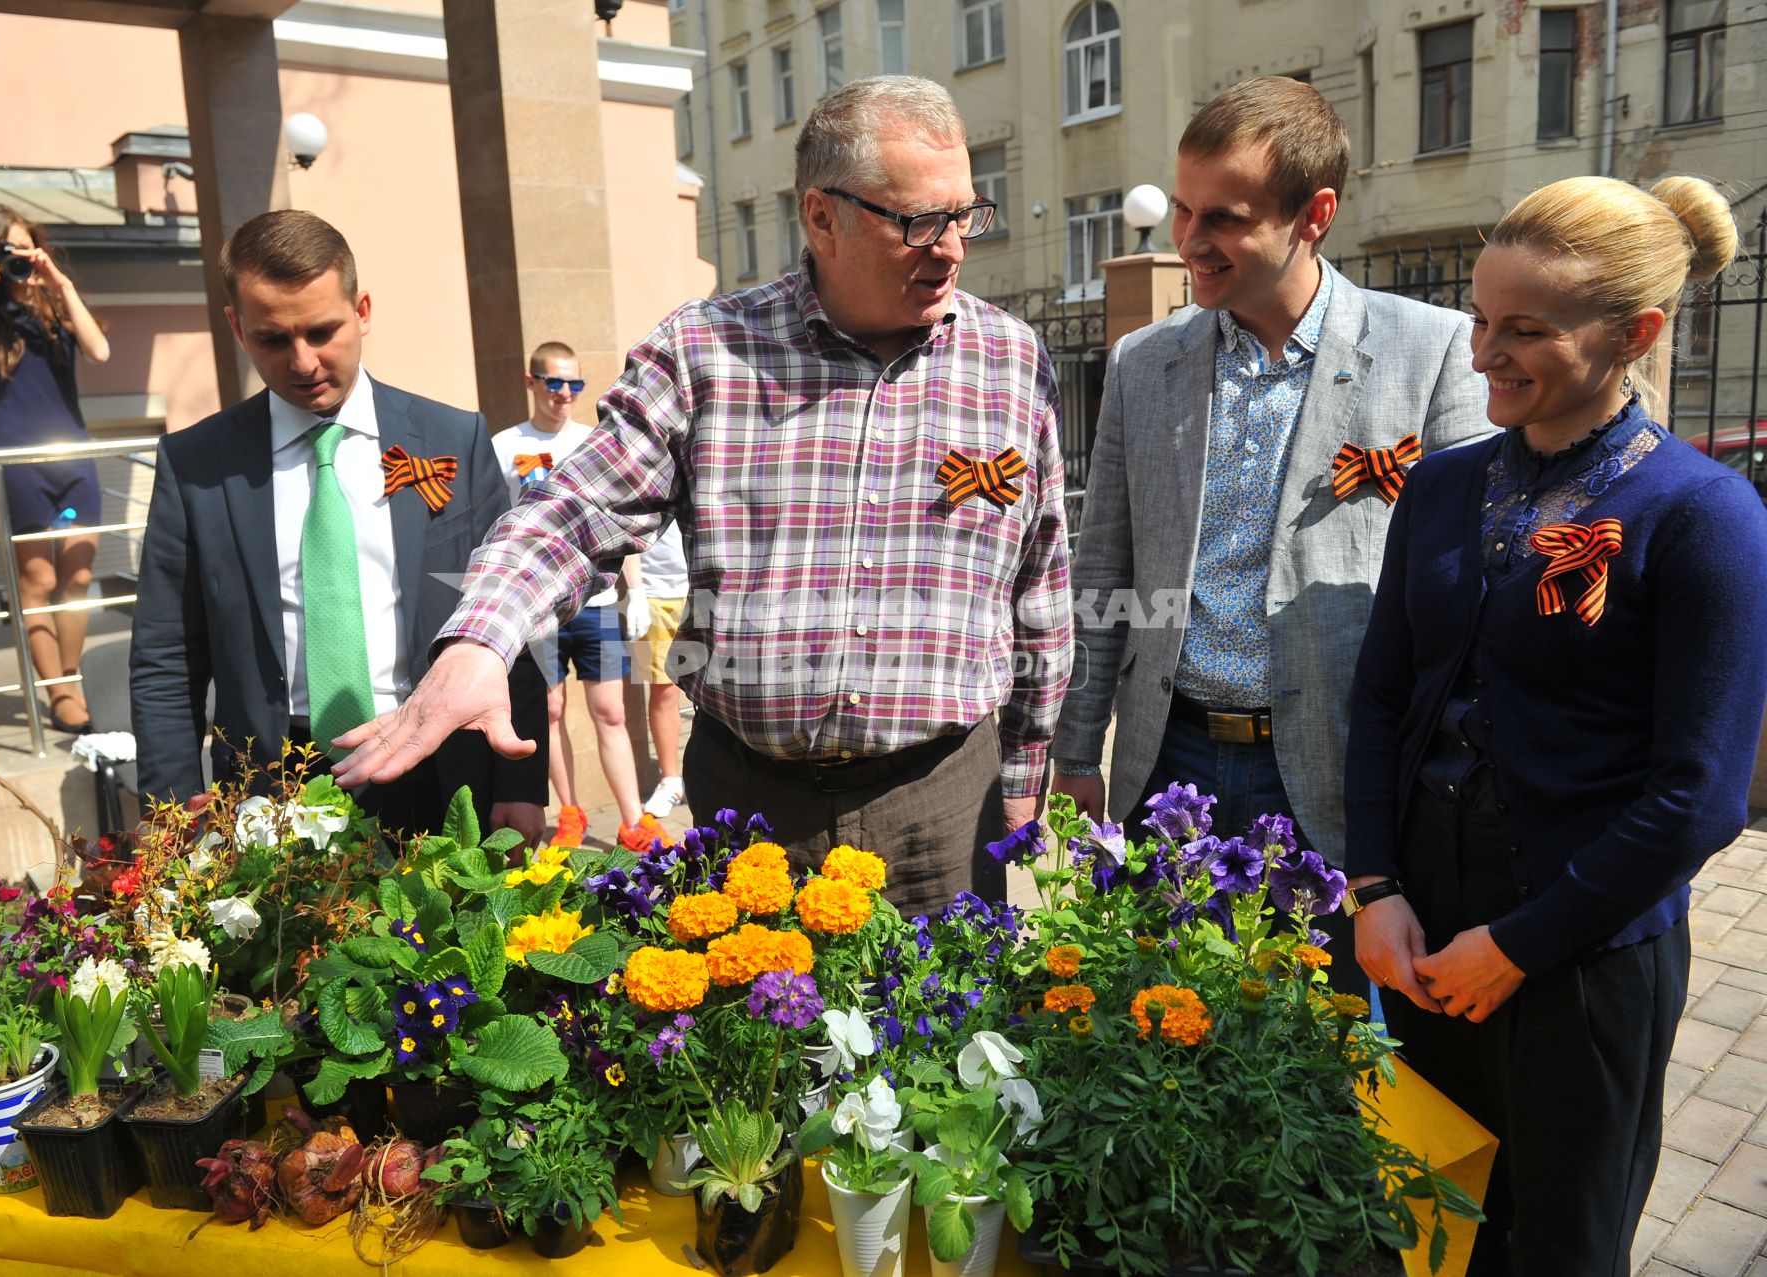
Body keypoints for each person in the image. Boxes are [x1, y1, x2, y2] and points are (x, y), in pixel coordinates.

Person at [332, 75, 1073, 919]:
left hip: (940, 807)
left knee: (955, 1046)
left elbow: (1039, 585)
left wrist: (1023, 776)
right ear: (820, 216)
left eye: (964, 215)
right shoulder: (708, 352)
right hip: (751, 811)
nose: (950, 249)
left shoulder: (1010, 363)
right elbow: (577, 513)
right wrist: (479, 641)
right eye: (916, 223)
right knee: (741, 1053)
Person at [1345, 175, 1767, 1274]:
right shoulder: (1439, 489)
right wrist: (1377, 887)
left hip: (1583, 949)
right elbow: (1384, 693)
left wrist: (1518, 946)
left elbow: (1701, 795)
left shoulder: (1703, 515)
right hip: (1429, 928)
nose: (1484, 351)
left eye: (1525, 329)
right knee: (1430, 1227)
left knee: (1561, 1247)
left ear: (1635, 333)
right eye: (1482, 320)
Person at [1049, 77, 1490, 994]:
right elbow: (1105, 566)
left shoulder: (1435, 350)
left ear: (1314, 213)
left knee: (1318, 1066)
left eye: (1226, 218)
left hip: (1333, 774)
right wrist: (1080, 744)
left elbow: (1470, 602)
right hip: (1170, 762)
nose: (1189, 242)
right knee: (1161, 1040)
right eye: (1181, 210)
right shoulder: (1144, 360)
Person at [130, 210, 547, 845]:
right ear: (238, 329)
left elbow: (504, 614)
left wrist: (520, 782)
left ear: (363, 311)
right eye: (273, 339)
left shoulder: (452, 438)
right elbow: (166, 656)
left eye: (323, 331)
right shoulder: (196, 466)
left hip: (442, 767)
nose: (303, 362)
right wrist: (170, 812)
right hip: (272, 788)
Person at [0, 203, 111, 735]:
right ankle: (58, 692)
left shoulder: (55, 305)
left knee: (79, 574)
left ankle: (71, 676)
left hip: (73, 460)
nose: (17, 260)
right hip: (17, 464)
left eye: (23, 247)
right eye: (4, 251)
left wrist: (58, 283)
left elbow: (100, 351)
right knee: (37, 580)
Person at [491, 343, 658, 852]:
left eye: (575, 385)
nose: (565, 394)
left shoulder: (595, 441)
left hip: (597, 602)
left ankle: (633, 822)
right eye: (555, 383)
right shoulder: (504, 445)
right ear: (531, 382)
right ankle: (569, 813)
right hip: (538, 609)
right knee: (551, 710)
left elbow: (620, 521)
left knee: (610, 711)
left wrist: (638, 591)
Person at [635, 517, 691, 820]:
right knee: (664, 688)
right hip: (654, 591)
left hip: (703, 584)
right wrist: (634, 594)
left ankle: (713, 768)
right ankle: (671, 779)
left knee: (715, 684)